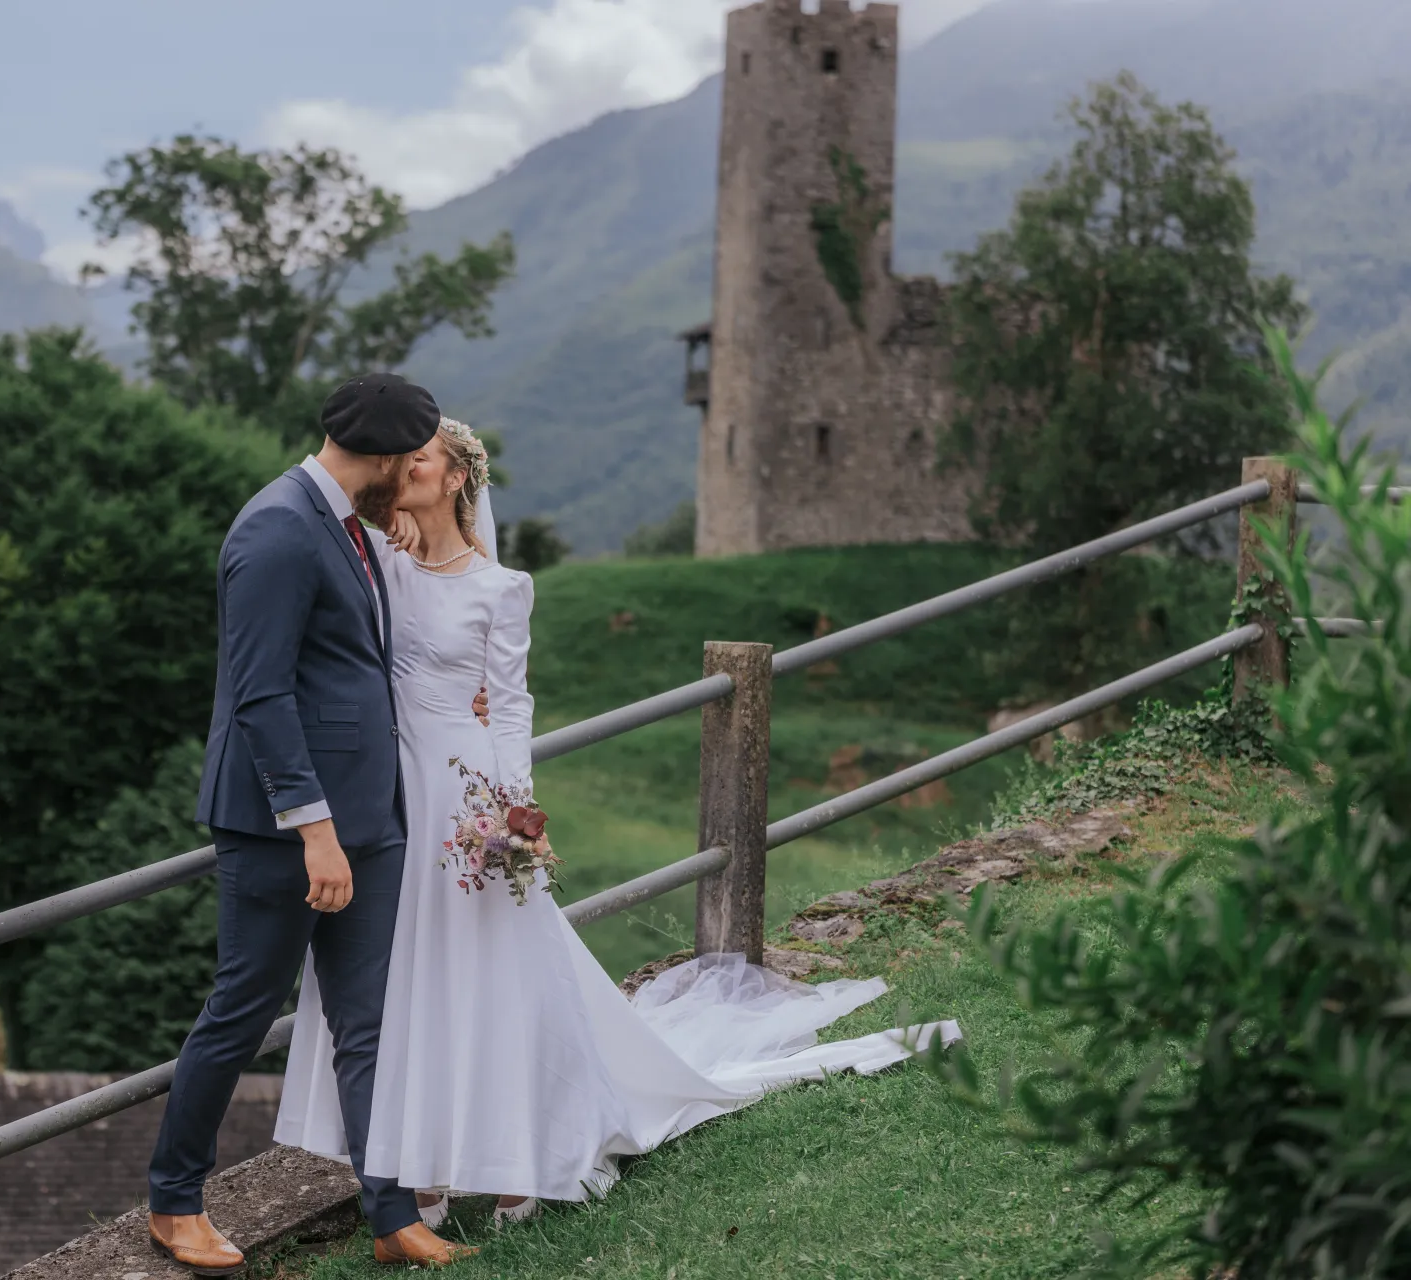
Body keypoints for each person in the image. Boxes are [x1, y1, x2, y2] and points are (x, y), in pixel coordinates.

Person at [274, 417, 963, 1227]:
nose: (403, 467)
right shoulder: (379, 562)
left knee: (490, 971)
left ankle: (519, 1151)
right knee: (407, 975)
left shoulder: (502, 587)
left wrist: (516, 813)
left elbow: (511, 708)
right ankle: (421, 1160)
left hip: (463, 793)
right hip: (391, 789)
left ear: (457, 477)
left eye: (419, 458)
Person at [146, 374, 479, 1275]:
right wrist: (315, 832)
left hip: (370, 819)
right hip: (284, 831)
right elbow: (261, 695)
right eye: (410, 461)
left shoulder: (347, 523)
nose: (412, 476)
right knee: (242, 1011)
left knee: (370, 1024)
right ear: (384, 458)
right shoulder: (276, 528)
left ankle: (391, 1215)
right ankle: (174, 1203)